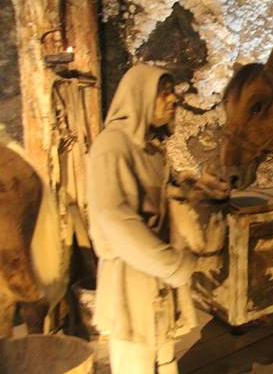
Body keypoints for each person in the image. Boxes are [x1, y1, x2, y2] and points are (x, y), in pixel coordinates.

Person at [87, 64, 230, 374]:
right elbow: (114, 217)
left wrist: (194, 186)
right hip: (131, 277)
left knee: (165, 355)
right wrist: (172, 264)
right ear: (139, 96)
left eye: (172, 93)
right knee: (134, 362)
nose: (173, 100)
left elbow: (156, 190)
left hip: (156, 273)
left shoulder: (152, 150)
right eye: (163, 94)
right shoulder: (111, 145)